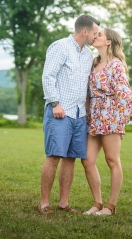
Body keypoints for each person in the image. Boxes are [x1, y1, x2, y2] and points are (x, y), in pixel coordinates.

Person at [38, 14, 100, 214]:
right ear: (85, 32)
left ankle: (63, 202)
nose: (96, 36)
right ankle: (44, 203)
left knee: (71, 158)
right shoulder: (60, 47)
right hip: (60, 112)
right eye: (94, 33)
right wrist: (55, 103)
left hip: (79, 114)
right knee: (54, 156)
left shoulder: (88, 54)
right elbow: (48, 75)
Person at [81, 28, 132, 216]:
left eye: (99, 34)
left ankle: (111, 206)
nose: (95, 36)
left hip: (111, 115)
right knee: (87, 160)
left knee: (112, 160)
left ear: (108, 42)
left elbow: (124, 90)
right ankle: (97, 203)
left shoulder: (116, 65)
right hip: (94, 116)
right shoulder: (94, 63)